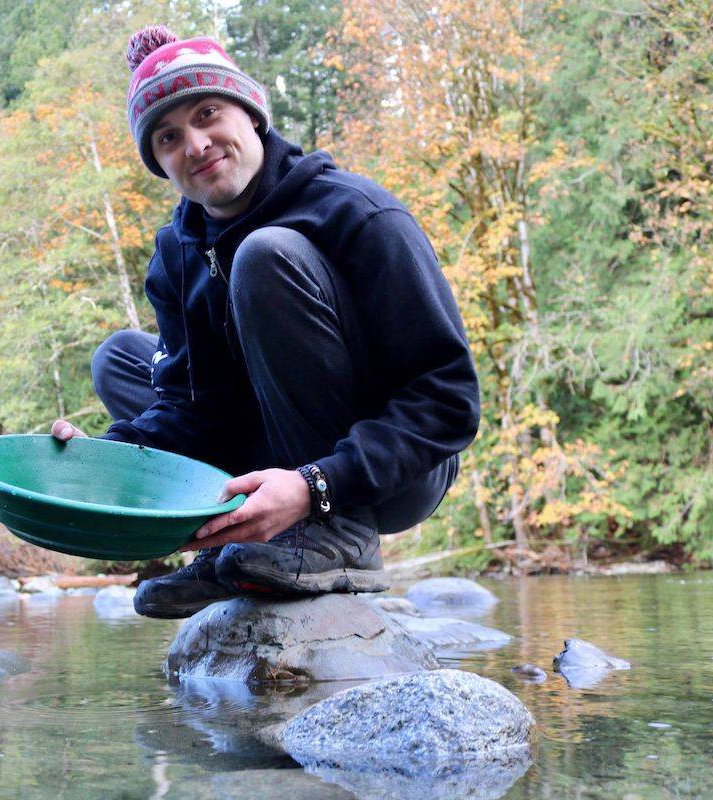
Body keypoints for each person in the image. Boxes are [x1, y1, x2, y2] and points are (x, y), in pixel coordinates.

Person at [51, 26, 481, 619]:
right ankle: (232, 537)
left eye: (208, 113)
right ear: (158, 163)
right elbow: (191, 408)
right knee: (121, 358)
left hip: (386, 472)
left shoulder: (358, 213)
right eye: (169, 137)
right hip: (267, 453)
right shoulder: (175, 255)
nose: (196, 144)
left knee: (264, 254)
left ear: (252, 116)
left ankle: (335, 537)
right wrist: (100, 461)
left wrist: (315, 486)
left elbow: (450, 401)